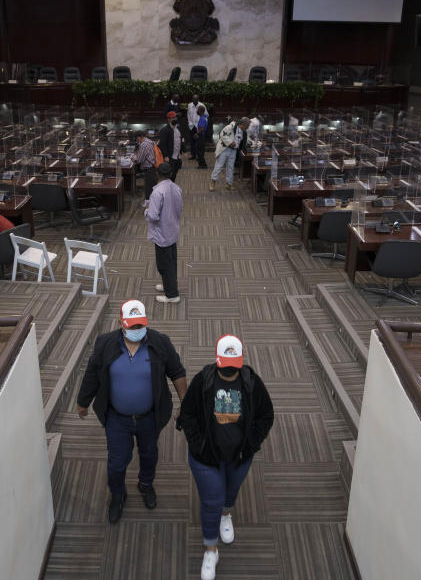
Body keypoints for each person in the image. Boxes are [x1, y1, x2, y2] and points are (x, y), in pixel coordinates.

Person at [76, 299, 187, 524]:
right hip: (117, 418)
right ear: (121, 322)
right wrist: (83, 401)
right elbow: (92, 373)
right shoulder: (105, 344)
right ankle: (118, 495)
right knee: (116, 462)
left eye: (140, 325)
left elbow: (177, 371)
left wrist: (184, 401)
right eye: (132, 326)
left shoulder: (160, 343)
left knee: (149, 454)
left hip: (149, 417)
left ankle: (145, 485)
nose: (136, 330)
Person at [179, 335, 274, 580]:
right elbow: (187, 414)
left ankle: (226, 514)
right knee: (212, 500)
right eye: (226, 364)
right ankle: (211, 550)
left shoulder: (252, 383)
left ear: (240, 362)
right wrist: (199, 444)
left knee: (230, 492)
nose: (230, 369)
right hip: (205, 458)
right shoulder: (203, 381)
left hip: (239, 457)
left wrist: (251, 444)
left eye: (234, 364)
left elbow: (266, 416)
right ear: (218, 360)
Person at [145, 162, 183, 303]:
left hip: (162, 233)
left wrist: (146, 211)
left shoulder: (157, 192)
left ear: (157, 174)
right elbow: (179, 210)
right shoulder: (176, 188)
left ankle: (172, 295)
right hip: (172, 230)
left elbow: (153, 216)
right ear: (171, 174)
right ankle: (169, 285)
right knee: (171, 261)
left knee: (164, 264)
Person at [209, 117, 249, 192]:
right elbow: (222, 134)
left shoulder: (243, 132)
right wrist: (230, 142)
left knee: (230, 167)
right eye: (247, 125)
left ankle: (229, 184)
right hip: (224, 149)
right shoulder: (231, 127)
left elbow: (243, 141)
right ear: (243, 124)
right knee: (219, 166)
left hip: (233, 151)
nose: (248, 127)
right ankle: (212, 182)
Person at [158, 111, 183, 182]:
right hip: (170, 156)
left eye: (175, 117)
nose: (175, 119)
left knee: (175, 173)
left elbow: (180, 139)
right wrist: (165, 156)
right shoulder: (165, 130)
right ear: (168, 119)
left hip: (177, 156)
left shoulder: (177, 128)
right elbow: (162, 144)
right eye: (173, 118)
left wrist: (183, 150)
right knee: (169, 175)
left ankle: (172, 185)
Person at [135, 130, 158, 201]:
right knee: (152, 185)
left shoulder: (144, 144)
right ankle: (152, 201)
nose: (137, 140)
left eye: (137, 138)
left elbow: (140, 160)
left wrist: (134, 158)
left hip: (149, 169)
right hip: (153, 167)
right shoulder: (149, 141)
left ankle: (148, 203)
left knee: (148, 187)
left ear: (139, 137)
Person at [187, 94, 207, 160]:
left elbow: (206, 114)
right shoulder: (189, 105)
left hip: (199, 126)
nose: (195, 100)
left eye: (196, 99)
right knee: (192, 141)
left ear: (198, 99)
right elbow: (188, 115)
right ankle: (193, 155)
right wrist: (190, 123)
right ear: (192, 99)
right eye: (193, 99)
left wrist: (202, 122)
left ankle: (200, 156)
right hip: (192, 126)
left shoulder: (202, 105)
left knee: (199, 143)